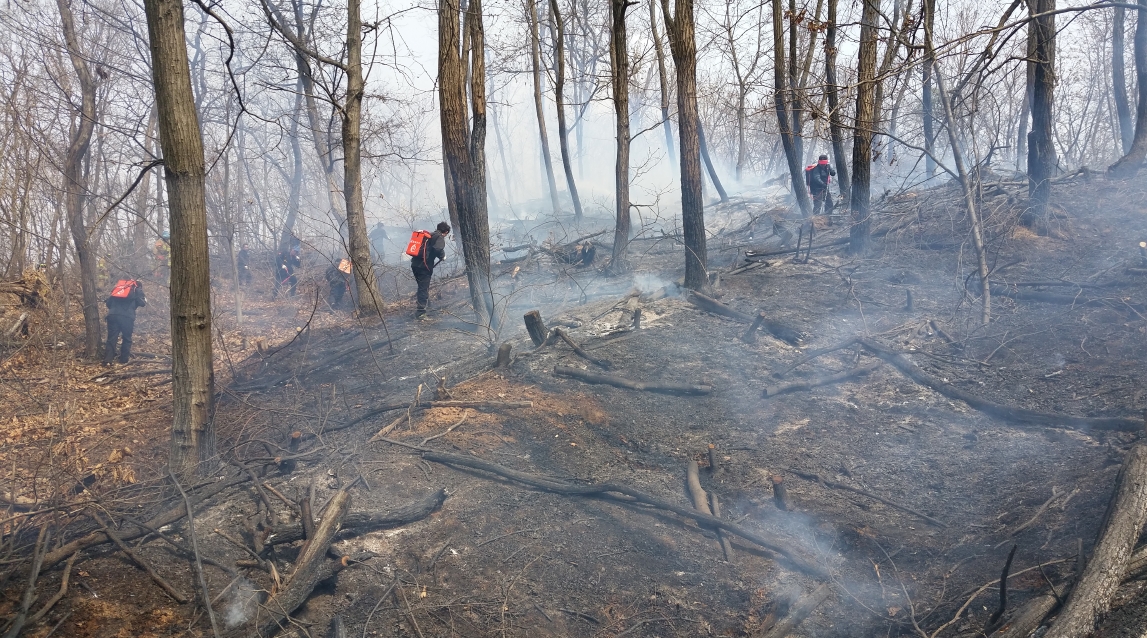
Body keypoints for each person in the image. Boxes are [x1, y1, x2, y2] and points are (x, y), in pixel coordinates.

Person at [103, 279, 146, 366]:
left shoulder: (119, 288)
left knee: (111, 338)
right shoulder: (137, 290)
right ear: (139, 286)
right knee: (127, 338)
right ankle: (124, 360)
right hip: (127, 317)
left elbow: (108, 303)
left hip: (113, 315)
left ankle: (108, 360)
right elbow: (142, 303)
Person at [411, 221, 450, 319]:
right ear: (445, 231)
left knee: (422, 287)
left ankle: (427, 306)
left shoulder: (430, 236)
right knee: (423, 288)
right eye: (446, 234)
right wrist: (443, 256)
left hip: (415, 265)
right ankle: (421, 313)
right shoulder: (439, 237)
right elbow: (437, 249)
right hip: (424, 266)